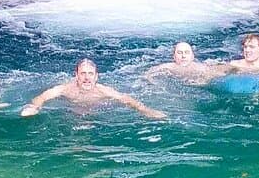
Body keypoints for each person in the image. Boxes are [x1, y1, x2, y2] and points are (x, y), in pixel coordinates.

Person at [21, 58, 168, 120]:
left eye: (90, 74)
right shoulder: (65, 89)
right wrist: (34, 107)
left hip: (95, 111)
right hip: (71, 110)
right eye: (83, 74)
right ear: (76, 76)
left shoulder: (103, 91)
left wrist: (146, 111)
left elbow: (127, 99)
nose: (87, 77)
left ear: (96, 76)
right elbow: (42, 97)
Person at [146, 40, 229, 85]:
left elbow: (219, 75)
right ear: (174, 57)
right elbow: (149, 72)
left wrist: (203, 81)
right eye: (179, 53)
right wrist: (152, 81)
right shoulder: (169, 67)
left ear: (192, 56)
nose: (183, 56)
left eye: (186, 52)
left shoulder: (200, 68)